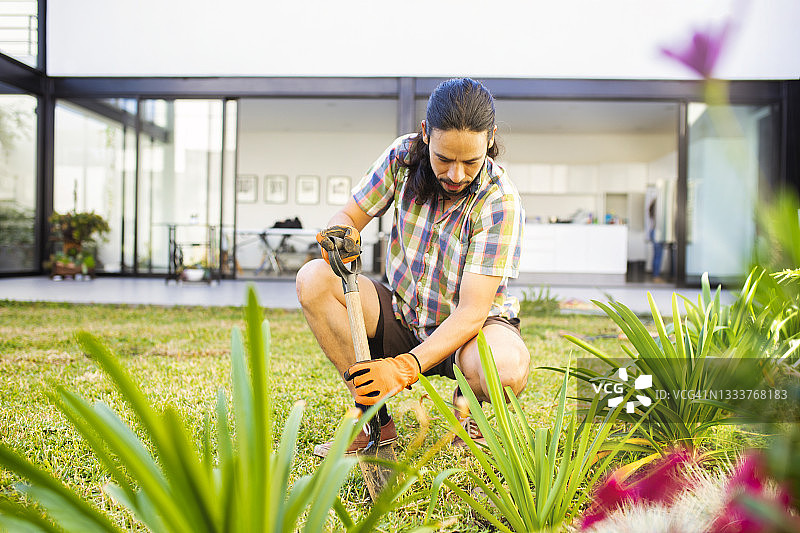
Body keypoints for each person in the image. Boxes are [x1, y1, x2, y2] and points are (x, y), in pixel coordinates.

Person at [295, 78, 530, 457]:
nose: (456, 175)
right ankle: (373, 420)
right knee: (313, 279)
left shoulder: (500, 201)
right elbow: (350, 215)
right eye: (444, 159)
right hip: (403, 317)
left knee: (506, 367)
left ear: (490, 140)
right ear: (425, 135)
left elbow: (472, 311)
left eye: (470, 162)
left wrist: (404, 368)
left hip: (471, 334)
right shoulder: (402, 158)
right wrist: (340, 232)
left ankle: (472, 416)